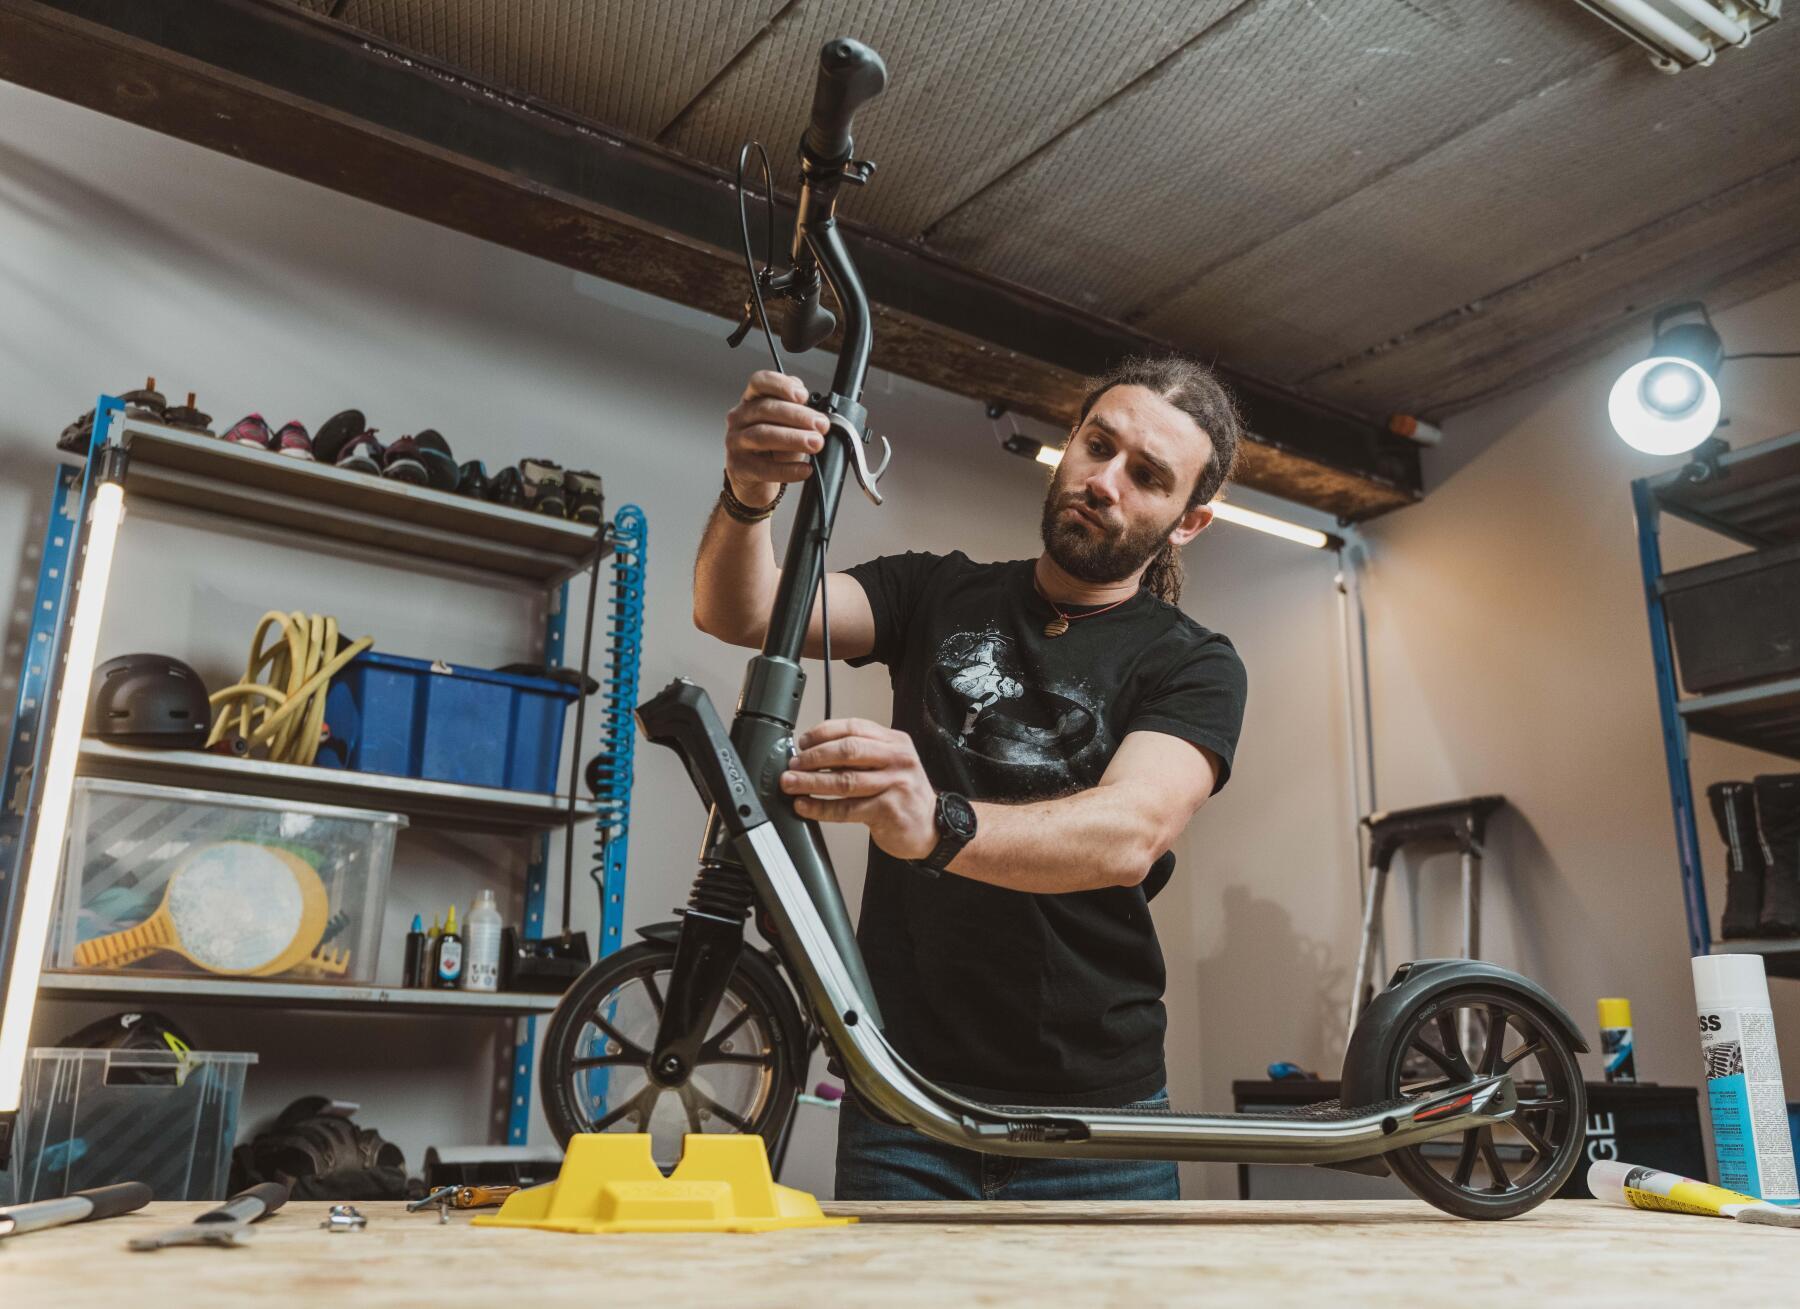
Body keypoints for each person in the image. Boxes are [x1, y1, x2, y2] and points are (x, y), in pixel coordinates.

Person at [693, 355, 1249, 1200]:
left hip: (1097, 1129)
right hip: (904, 1104)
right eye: (1097, 445)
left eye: (1146, 476)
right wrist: (748, 491)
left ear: (1189, 521)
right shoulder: (935, 592)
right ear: (1068, 446)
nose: (1105, 481)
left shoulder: (1193, 663)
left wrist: (938, 823)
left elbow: (1129, 831)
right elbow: (742, 608)